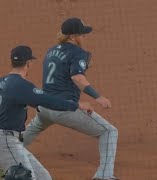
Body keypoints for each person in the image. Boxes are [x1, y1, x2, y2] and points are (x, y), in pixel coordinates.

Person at [23, 17, 118, 180]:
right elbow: (77, 78)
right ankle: (104, 176)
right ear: (73, 37)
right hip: (64, 108)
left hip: (45, 107)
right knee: (109, 132)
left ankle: (4, 153)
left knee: (24, 137)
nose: (84, 37)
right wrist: (98, 97)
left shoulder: (51, 50)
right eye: (82, 34)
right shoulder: (78, 53)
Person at [0, 45, 93, 180]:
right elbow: (48, 100)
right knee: (23, 177)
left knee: (44, 177)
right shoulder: (20, 85)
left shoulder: (3, 81)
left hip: (10, 140)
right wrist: (76, 104)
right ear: (29, 63)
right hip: (6, 141)